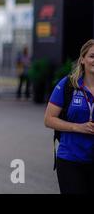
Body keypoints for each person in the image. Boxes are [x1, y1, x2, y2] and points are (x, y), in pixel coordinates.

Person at [44, 39, 94, 194]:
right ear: (82, 60)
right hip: (71, 160)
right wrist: (78, 127)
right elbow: (48, 119)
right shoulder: (68, 85)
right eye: (92, 56)